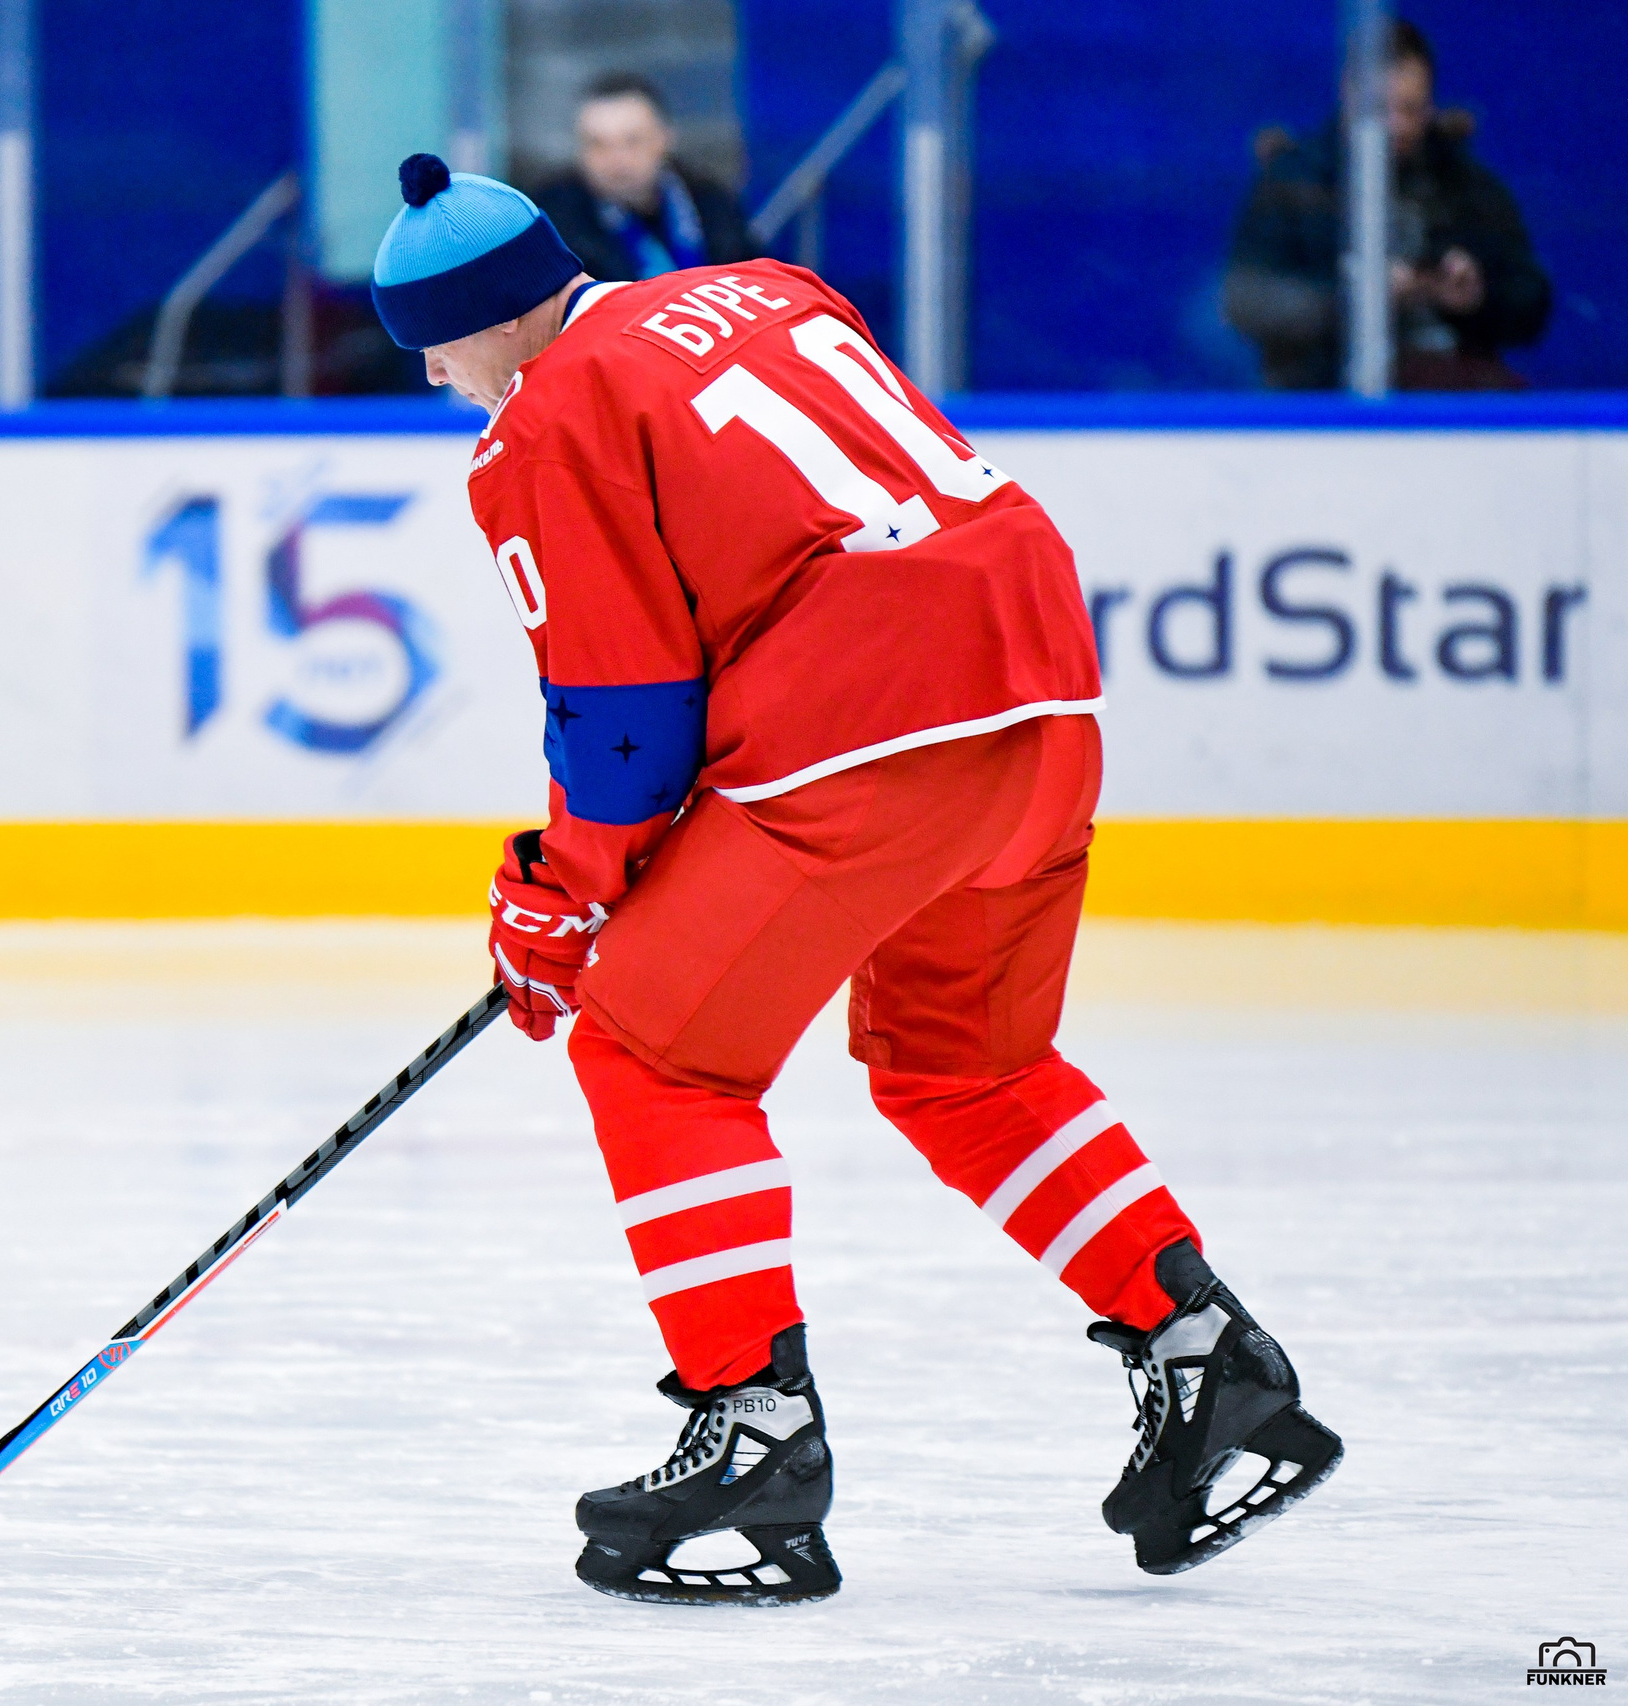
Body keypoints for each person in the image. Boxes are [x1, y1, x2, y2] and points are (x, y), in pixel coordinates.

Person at [370, 153, 1344, 1605]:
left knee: (651, 1049)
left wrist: (563, 891)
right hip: (1041, 699)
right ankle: (1198, 1347)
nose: (440, 379)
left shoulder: (544, 421)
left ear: (493, 317)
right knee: (964, 1063)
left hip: (871, 731)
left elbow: (629, 722)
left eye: (435, 346)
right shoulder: (761, 286)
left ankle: (753, 1422)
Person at [1225, 19, 1550, 390]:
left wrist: (1476, 296)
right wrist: (1354, 301)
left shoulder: (1468, 185)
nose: (1397, 126)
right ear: (1349, 93)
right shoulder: (1294, 181)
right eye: (1382, 110)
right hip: (1327, 395)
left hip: (1453, 395)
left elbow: (1530, 301)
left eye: (1411, 110)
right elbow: (1246, 301)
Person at [531, 73, 757, 283]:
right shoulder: (550, 224)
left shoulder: (710, 199)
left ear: (665, 138)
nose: (617, 160)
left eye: (632, 141)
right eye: (598, 145)